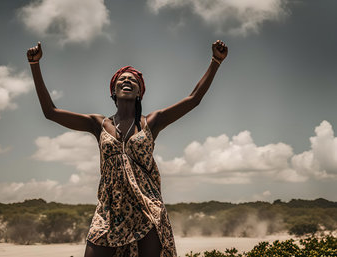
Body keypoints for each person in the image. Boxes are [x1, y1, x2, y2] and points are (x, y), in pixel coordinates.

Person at [27, 40, 228, 257]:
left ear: (139, 91)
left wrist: (216, 61)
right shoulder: (99, 124)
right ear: (113, 90)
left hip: (146, 208)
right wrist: (34, 65)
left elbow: (193, 99)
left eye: (132, 80)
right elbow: (51, 112)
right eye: (122, 79)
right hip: (109, 210)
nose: (127, 81)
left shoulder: (151, 122)